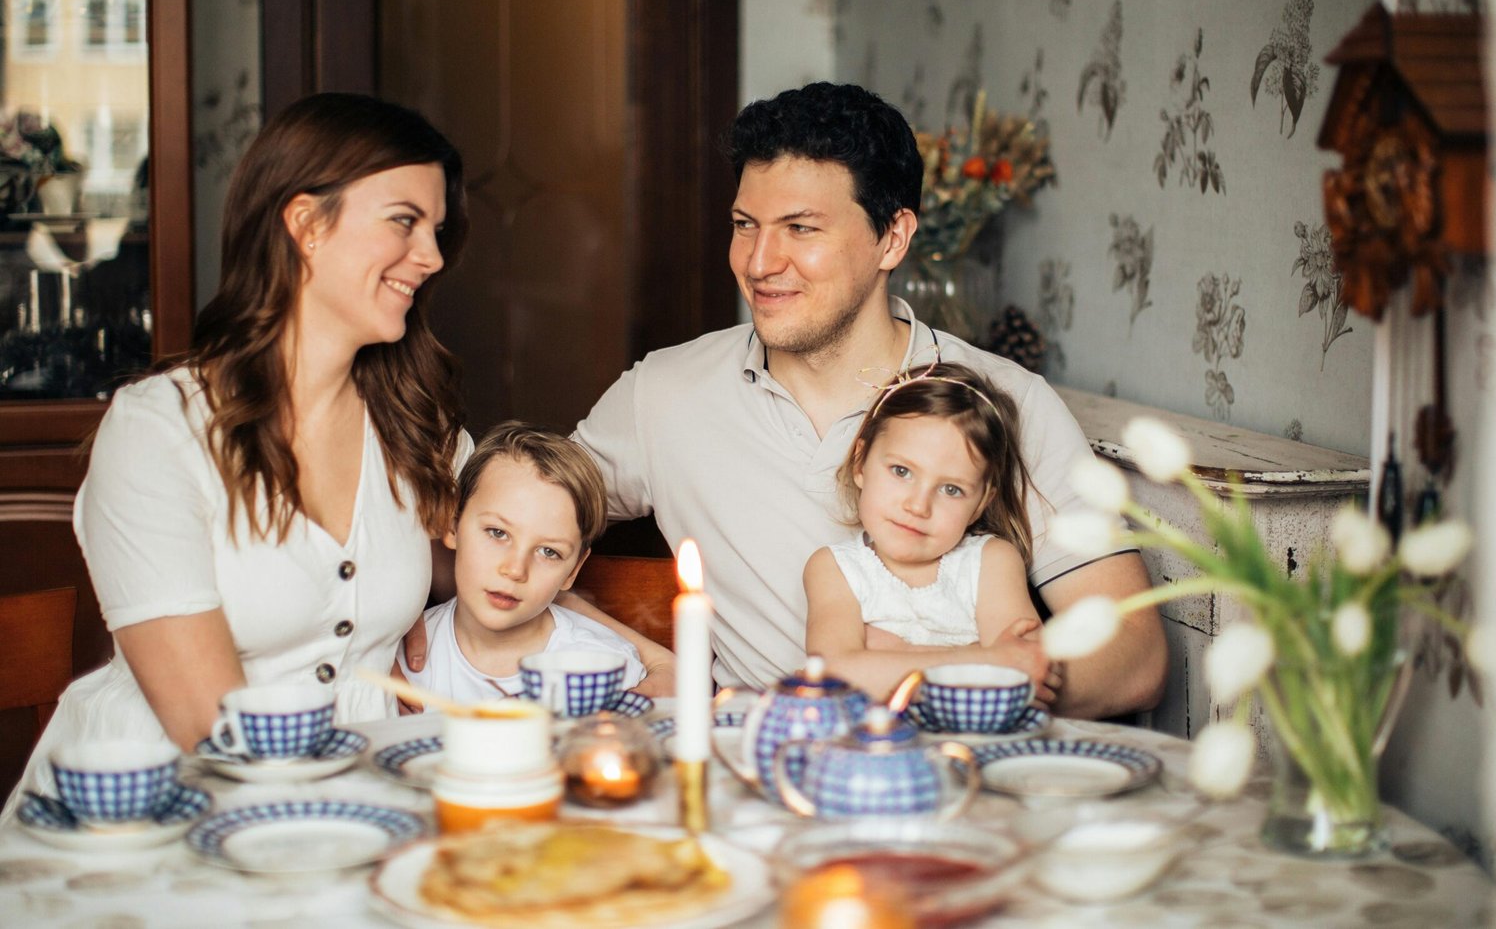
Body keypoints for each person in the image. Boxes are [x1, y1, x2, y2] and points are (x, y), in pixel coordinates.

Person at [567, 82, 1166, 718]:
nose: (760, 262)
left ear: (893, 238)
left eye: (800, 228)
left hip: (970, 779)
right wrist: (657, 661)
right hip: (769, 779)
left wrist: (924, 682)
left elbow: (1133, 658)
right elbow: (493, 537)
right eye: (745, 226)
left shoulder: (1007, 403)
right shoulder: (663, 394)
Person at [7, 92, 470, 810]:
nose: (433, 256)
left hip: (347, 807)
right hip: (150, 819)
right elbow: (208, 728)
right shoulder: (159, 431)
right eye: (405, 222)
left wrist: (652, 655)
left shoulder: (413, 422)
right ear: (306, 223)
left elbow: (512, 559)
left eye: (437, 230)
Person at [803, 362, 1048, 700]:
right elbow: (833, 678)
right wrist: (983, 658)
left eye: (951, 489)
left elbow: (1030, 673)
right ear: (860, 463)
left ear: (980, 503)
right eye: (901, 471)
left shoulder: (991, 562)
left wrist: (889, 655)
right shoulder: (835, 569)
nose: (918, 506)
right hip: (868, 748)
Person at [399, 423, 646, 704]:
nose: (515, 570)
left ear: (574, 569)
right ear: (453, 526)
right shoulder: (397, 662)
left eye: (548, 552)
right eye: (497, 533)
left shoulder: (606, 672)